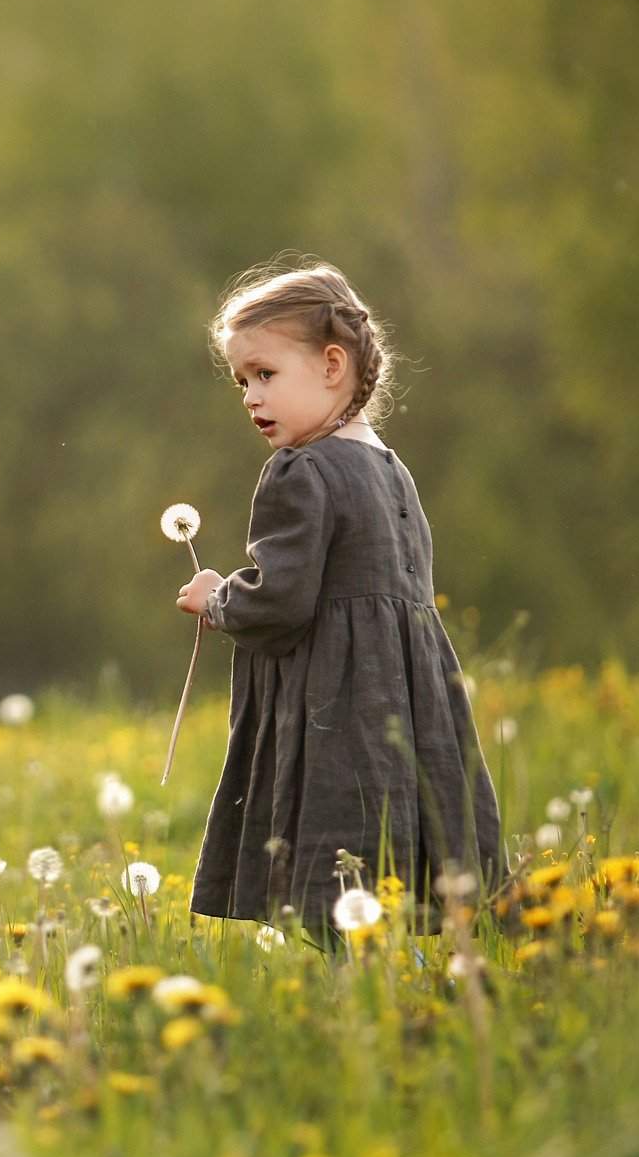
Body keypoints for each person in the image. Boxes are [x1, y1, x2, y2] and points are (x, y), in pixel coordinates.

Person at [174, 261, 502, 934]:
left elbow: (281, 600)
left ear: (331, 364)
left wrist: (218, 598)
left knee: (337, 855)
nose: (249, 396)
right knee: (401, 850)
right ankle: (404, 980)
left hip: (338, 706)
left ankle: (361, 995)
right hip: (412, 701)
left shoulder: (299, 471)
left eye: (265, 373)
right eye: (241, 381)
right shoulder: (389, 468)